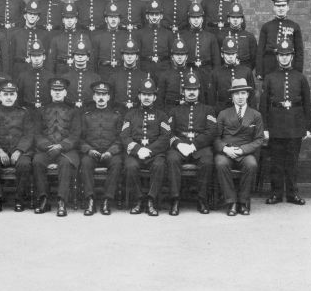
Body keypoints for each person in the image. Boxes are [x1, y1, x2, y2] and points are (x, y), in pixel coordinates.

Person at [259, 39, 311, 206]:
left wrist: (307, 127)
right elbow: (264, 105)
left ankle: (292, 193)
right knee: (276, 162)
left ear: (292, 56)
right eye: (281, 55)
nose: (284, 58)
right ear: (277, 57)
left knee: (292, 162)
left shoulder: (300, 78)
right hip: (275, 124)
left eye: (287, 55)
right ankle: (276, 193)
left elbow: (307, 104)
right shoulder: (269, 78)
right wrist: (265, 128)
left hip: (295, 124)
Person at [166, 71, 218, 215]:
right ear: (183, 91)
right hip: (180, 146)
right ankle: (175, 199)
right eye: (188, 90)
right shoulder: (174, 110)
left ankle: (202, 199)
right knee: (171, 159)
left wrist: (194, 145)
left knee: (207, 160)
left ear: (199, 91)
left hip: (199, 147)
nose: (191, 93)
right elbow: (168, 132)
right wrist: (178, 144)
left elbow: (211, 131)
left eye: (194, 90)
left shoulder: (208, 110)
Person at [120, 77, 171, 216]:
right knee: (130, 166)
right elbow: (125, 136)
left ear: (154, 97)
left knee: (159, 165)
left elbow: (165, 137)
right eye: (144, 94)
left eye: (150, 95)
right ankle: (138, 199)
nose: (146, 97)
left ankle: (151, 200)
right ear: (139, 96)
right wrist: (137, 149)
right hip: (135, 153)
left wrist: (149, 150)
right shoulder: (130, 114)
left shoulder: (162, 115)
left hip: (154, 153)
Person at [0, 79, 34, 214]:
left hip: (19, 151)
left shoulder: (24, 113)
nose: (9, 97)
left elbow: (28, 135)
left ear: (16, 96)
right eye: (5, 94)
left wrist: (19, 150)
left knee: (25, 164)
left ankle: (19, 199)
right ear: (0, 96)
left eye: (11, 94)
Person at [214, 78, 264, 216]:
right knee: (220, 163)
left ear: (248, 94)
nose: (240, 97)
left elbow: (259, 139)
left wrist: (242, 150)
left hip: (245, 151)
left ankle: (243, 201)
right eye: (236, 94)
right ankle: (231, 202)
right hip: (226, 151)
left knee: (251, 164)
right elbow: (215, 137)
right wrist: (225, 149)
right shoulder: (223, 114)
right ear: (232, 96)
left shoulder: (256, 115)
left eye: (243, 93)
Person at [32, 77, 81, 216]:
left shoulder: (74, 111)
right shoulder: (41, 110)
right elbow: (37, 133)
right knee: (37, 161)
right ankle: (44, 200)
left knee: (66, 163)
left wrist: (61, 146)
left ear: (65, 92)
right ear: (50, 92)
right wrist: (47, 146)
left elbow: (76, 134)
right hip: (46, 150)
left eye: (60, 90)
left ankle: (62, 201)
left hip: (66, 150)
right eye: (54, 90)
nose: (57, 93)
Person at [78, 81, 124, 216]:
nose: (101, 97)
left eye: (104, 94)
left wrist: (111, 151)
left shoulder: (116, 115)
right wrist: (89, 150)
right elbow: (79, 138)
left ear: (109, 97)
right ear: (94, 97)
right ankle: (90, 200)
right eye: (98, 94)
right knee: (85, 163)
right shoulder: (86, 116)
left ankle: (107, 200)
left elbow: (121, 138)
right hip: (92, 153)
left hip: (110, 153)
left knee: (117, 163)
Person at [255, 0, 304, 81]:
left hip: (289, 66)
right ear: (274, 8)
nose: (281, 8)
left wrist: (298, 71)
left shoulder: (294, 26)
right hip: (269, 66)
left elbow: (299, 51)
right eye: (278, 6)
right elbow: (260, 51)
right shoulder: (266, 26)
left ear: (288, 7)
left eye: (283, 5)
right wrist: (259, 71)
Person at [180, 0, 220, 101]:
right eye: (193, 17)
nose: (196, 20)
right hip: (189, 71)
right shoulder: (183, 37)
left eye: (198, 17)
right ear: (189, 19)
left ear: (202, 19)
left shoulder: (210, 37)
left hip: (206, 72)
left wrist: (214, 77)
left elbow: (216, 60)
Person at [209, 37, 256, 113]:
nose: (230, 56)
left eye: (233, 53)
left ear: (236, 54)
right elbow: (212, 97)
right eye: (227, 54)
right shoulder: (215, 73)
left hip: (243, 111)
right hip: (222, 110)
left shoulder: (246, 71)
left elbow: (252, 96)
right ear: (222, 54)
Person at [9, 0, 49, 80]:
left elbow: (46, 57)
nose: (32, 16)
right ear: (25, 16)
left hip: (37, 71)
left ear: (38, 18)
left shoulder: (44, 35)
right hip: (19, 69)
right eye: (30, 13)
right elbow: (11, 57)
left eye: (35, 14)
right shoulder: (16, 34)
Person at [91, 0, 128, 84]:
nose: (113, 19)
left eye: (116, 17)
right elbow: (94, 61)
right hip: (103, 73)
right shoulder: (98, 37)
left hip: (121, 73)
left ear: (119, 19)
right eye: (111, 17)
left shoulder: (126, 37)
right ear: (106, 19)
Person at [136, 0, 173, 78]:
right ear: (147, 16)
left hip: (164, 69)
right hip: (145, 69)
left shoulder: (168, 34)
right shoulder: (140, 33)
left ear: (161, 16)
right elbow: (137, 56)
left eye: (157, 14)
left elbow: (172, 55)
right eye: (152, 14)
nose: (154, 17)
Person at [111, 39, 148, 113]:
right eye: (127, 54)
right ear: (122, 56)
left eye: (132, 54)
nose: (129, 57)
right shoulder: (114, 76)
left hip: (137, 113)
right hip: (118, 112)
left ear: (137, 57)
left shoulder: (144, 76)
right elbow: (110, 99)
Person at [64, 36, 101, 109]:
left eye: (83, 55)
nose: (80, 57)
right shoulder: (65, 77)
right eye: (77, 55)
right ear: (73, 57)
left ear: (87, 58)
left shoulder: (95, 78)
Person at [219, 2, 257, 72]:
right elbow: (219, 57)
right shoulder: (221, 36)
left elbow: (254, 58)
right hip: (226, 71)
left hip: (245, 70)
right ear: (228, 19)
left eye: (238, 17)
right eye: (233, 17)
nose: (235, 19)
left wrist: (247, 70)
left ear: (242, 20)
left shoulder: (249, 36)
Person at [46, 3, 81, 76]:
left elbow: (89, 62)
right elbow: (51, 61)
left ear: (76, 20)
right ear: (63, 20)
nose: (69, 20)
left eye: (72, 18)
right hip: (60, 72)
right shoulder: (56, 39)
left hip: (77, 73)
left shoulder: (83, 38)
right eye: (67, 18)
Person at [16, 39, 50, 110]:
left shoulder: (50, 76)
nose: (36, 59)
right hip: (28, 111)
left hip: (45, 112)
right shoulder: (23, 76)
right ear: (30, 57)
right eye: (34, 56)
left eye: (39, 55)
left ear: (44, 57)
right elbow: (19, 98)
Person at [157, 38, 189, 111]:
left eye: (182, 54)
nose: (180, 57)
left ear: (186, 56)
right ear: (172, 57)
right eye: (177, 54)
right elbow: (160, 100)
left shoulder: (193, 74)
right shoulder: (165, 75)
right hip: (170, 110)